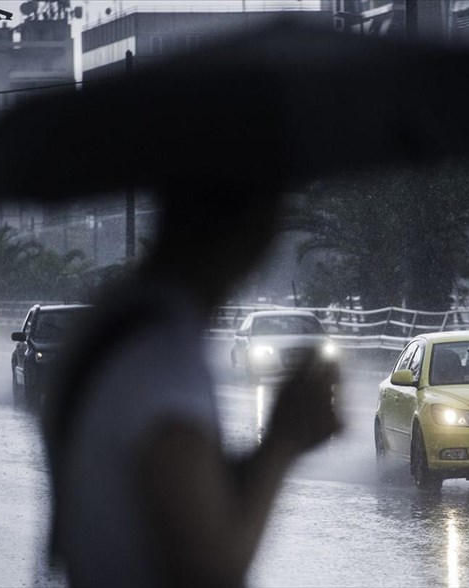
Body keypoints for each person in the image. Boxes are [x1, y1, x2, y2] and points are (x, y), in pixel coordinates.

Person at [42, 184, 340, 587]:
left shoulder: (112, 322)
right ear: (253, 226)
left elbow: (177, 495)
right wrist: (284, 439)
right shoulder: (163, 355)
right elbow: (208, 570)